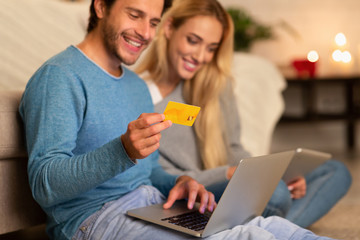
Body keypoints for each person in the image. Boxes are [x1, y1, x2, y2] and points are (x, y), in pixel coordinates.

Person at [19, 0, 336, 239]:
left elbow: (151, 170)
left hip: (153, 204)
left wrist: (182, 182)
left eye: (153, 22)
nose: (145, 33)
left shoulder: (134, 86)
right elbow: (45, 184)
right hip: (92, 220)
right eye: (134, 15)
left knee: (273, 227)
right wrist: (123, 151)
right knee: (246, 236)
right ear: (101, 6)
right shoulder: (59, 77)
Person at [136, 0, 352, 229]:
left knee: (336, 171)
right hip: (191, 194)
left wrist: (266, 171)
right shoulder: (141, 94)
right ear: (169, 29)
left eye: (211, 48)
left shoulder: (217, 86)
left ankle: (255, 232)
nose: (200, 56)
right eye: (193, 41)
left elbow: (234, 147)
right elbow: (156, 175)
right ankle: (271, 230)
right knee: (277, 194)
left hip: (230, 184)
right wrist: (228, 173)